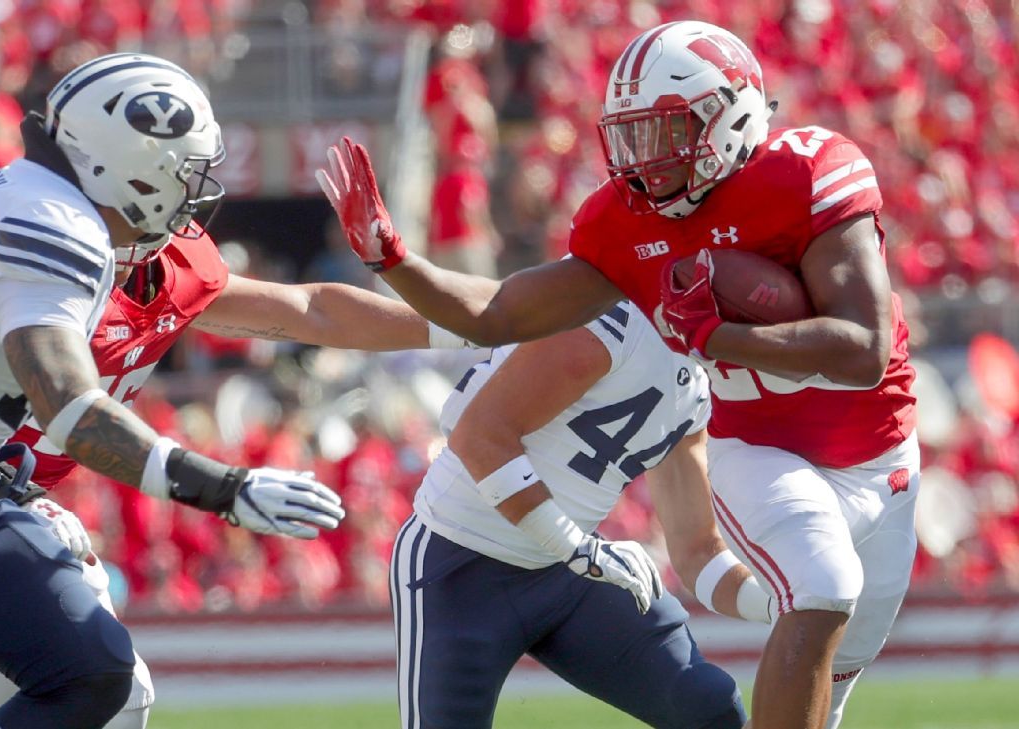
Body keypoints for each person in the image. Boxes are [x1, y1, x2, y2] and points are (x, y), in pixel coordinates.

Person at [0, 52, 437, 729]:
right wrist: (222, 488)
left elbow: (307, 310)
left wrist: (474, 325)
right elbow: (68, 403)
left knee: (99, 675)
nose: (196, 192)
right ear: (132, 166)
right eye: (185, 172)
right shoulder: (49, 223)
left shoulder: (115, 237)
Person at [320, 21, 918, 729]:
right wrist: (393, 259)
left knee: (753, 690)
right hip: (483, 554)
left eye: (665, 132)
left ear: (728, 116)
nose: (646, 159)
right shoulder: (619, 258)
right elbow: (495, 329)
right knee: (821, 588)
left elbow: (859, 354)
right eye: (632, 136)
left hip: (601, 559)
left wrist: (717, 338)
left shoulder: (796, 191)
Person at [394, 298, 772, 728]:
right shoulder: (613, 319)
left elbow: (698, 550)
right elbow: (479, 437)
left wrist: (780, 605)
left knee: (708, 707)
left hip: (568, 569)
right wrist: (579, 550)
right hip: (459, 563)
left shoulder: (697, 387)